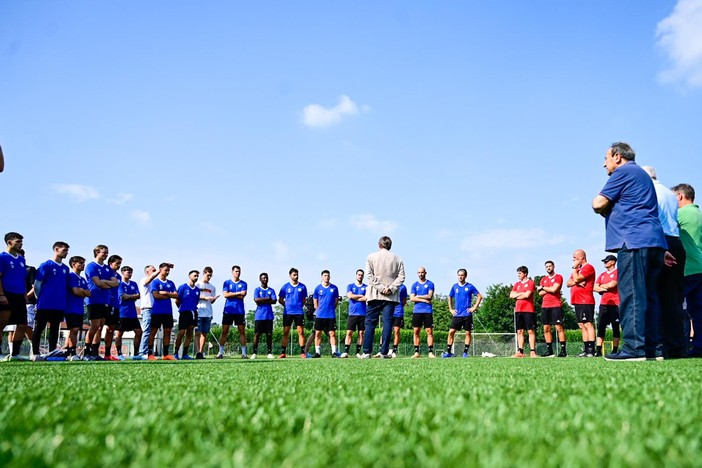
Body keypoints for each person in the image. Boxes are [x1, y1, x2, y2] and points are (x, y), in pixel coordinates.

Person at [592, 142, 670, 361]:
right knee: (650, 297)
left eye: (606, 158)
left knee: (632, 295)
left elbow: (597, 203)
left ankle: (634, 349)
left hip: (633, 241)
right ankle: (652, 348)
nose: (604, 163)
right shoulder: (643, 175)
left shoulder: (623, 171)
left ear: (617, 156)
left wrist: (605, 207)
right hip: (654, 242)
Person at [643, 166, 687, 359]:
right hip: (676, 242)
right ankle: (677, 346)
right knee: (673, 299)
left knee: (655, 295)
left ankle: (659, 345)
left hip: (661, 242)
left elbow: (654, 220)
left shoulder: (649, 191)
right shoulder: (670, 193)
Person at [671, 183, 702, 357]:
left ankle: (678, 346)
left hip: (686, 268)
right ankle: (698, 347)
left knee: (676, 308)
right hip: (700, 267)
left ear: (680, 196)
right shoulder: (699, 214)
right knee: (698, 310)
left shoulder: (680, 213)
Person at [362, 236, 405, 359]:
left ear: (379, 245)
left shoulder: (370, 257)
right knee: (387, 324)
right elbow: (401, 277)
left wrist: (380, 288)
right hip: (390, 297)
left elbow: (369, 276)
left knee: (370, 323)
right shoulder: (398, 259)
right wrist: (390, 288)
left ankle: (366, 352)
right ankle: (384, 352)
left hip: (374, 294)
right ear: (390, 245)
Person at [32, 241, 70, 360]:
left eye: (67, 251)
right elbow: (37, 285)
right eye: (64, 250)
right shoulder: (46, 265)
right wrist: (41, 298)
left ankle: (52, 353)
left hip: (59, 304)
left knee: (55, 329)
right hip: (45, 303)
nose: (66, 253)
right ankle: (35, 353)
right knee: (39, 328)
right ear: (56, 249)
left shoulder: (65, 268)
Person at [84, 245, 119, 360]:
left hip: (105, 300)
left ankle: (95, 353)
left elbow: (116, 283)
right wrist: (106, 283)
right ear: (97, 252)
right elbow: (98, 283)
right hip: (94, 299)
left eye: (107, 252)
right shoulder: (91, 266)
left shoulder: (108, 269)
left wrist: (104, 282)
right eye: (104, 252)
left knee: (100, 327)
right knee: (94, 326)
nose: (106, 254)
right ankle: (86, 352)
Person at [0, 232, 29, 360]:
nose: (20, 244)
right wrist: (1, 294)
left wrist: (24, 294)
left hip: (19, 296)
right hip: (6, 294)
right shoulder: (2, 257)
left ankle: (15, 354)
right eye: (18, 241)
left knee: (22, 324)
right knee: (2, 324)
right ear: (9, 242)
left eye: (21, 242)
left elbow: (22, 278)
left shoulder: (21, 259)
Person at [442, 269, 482, 358]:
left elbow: (479, 296)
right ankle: (448, 352)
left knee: (468, 333)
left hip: (467, 314)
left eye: (462, 275)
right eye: (459, 275)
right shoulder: (454, 287)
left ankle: (465, 353)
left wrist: (474, 307)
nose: (460, 277)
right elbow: (449, 297)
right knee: (451, 332)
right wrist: (451, 309)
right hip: (457, 315)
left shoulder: (470, 286)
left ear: (465, 276)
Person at [567, 249, 597, 357]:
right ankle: (585, 349)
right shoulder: (578, 269)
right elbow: (569, 282)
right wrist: (577, 282)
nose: (573, 259)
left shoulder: (588, 267)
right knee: (581, 325)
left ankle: (591, 350)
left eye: (575, 257)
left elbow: (576, 279)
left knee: (588, 324)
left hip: (586, 300)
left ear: (582, 257)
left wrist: (575, 273)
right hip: (577, 301)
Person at [147, 263, 177, 360]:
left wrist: (166, 293)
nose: (167, 272)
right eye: (165, 270)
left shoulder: (171, 283)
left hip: (168, 311)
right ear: (160, 270)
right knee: (153, 331)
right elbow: (156, 295)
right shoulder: (155, 282)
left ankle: (166, 354)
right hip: (157, 311)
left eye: (168, 270)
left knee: (167, 331)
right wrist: (169, 295)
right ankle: (150, 354)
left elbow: (176, 295)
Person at [537, 260, 567, 357]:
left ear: (554, 266)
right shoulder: (543, 279)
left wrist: (543, 287)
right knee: (546, 328)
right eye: (547, 267)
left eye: (550, 266)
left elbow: (555, 289)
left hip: (555, 305)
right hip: (545, 306)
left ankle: (563, 351)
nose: (548, 268)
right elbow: (540, 293)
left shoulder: (558, 277)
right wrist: (548, 288)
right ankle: (549, 351)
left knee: (559, 327)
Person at [218, 265, 248, 359]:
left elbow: (242, 296)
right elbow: (225, 295)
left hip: (239, 311)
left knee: (242, 331)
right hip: (228, 310)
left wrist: (232, 294)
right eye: (236, 271)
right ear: (232, 272)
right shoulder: (226, 283)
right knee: (224, 331)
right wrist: (238, 293)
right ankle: (220, 353)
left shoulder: (244, 283)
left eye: (239, 271)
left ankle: (244, 353)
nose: (237, 273)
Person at [594, 255, 620, 357]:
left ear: (613, 262)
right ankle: (598, 351)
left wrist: (601, 287)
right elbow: (594, 287)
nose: (605, 262)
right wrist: (604, 288)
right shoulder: (602, 275)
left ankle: (615, 350)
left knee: (615, 327)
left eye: (607, 261)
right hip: (603, 304)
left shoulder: (617, 272)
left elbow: (612, 285)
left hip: (615, 304)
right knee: (601, 327)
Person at [278, 268, 308, 358]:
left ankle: (303, 352)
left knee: (301, 332)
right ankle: (283, 352)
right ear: (290, 275)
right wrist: (287, 305)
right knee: (286, 332)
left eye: (297, 274)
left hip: (299, 312)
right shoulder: (285, 287)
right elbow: (280, 299)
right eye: (294, 275)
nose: (296, 276)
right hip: (288, 313)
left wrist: (298, 306)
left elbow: (304, 300)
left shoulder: (302, 287)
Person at [116, 265, 143, 360]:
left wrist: (129, 296)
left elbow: (139, 296)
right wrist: (133, 296)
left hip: (132, 313)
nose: (130, 274)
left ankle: (136, 354)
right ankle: (119, 354)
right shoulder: (120, 284)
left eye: (131, 272)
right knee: (119, 333)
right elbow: (123, 296)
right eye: (128, 272)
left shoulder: (134, 284)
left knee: (139, 332)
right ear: (122, 273)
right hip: (122, 312)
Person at [509, 266, 537, 357]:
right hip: (518, 310)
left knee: (530, 331)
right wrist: (521, 294)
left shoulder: (530, 283)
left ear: (525, 273)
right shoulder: (517, 284)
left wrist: (518, 295)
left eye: (520, 273)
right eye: (518, 273)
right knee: (520, 331)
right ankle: (520, 352)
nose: (518, 275)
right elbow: (511, 295)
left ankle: (532, 351)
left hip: (528, 310)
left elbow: (527, 295)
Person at [66, 256, 90, 360]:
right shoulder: (71, 276)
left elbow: (89, 293)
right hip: (70, 307)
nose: (82, 265)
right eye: (80, 263)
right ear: (73, 264)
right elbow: (75, 291)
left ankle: (69, 351)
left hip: (79, 308)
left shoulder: (83, 279)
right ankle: (72, 352)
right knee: (74, 330)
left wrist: (81, 291)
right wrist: (81, 291)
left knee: (76, 330)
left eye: (83, 263)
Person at [312, 270, 340, 358]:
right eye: (325, 275)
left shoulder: (334, 288)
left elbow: (336, 301)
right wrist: (319, 310)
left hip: (330, 315)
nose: (326, 277)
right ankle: (317, 353)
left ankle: (334, 352)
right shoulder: (318, 288)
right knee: (318, 333)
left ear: (330, 277)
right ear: (322, 277)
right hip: (320, 315)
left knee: (332, 333)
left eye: (328, 275)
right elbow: (315, 302)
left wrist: (330, 309)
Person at [174, 270, 200, 360]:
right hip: (184, 312)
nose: (196, 277)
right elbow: (177, 300)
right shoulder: (183, 287)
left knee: (189, 333)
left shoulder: (197, 290)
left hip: (193, 312)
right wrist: (182, 308)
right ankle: (176, 353)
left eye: (197, 276)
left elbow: (196, 302)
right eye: (194, 275)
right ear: (189, 276)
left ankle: (185, 354)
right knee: (181, 332)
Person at [410, 266, 435, 358]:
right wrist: (424, 300)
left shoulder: (430, 284)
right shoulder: (414, 285)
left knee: (429, 331)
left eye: (422, 272)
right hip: (417, 311)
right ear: (417, 274)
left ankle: (430, 352)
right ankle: (416, 352)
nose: (421, 274)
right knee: (416, 331)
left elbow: (429, 296)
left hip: (427, 311)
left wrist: (418, 297)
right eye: (419, 273)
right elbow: (412, 298)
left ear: (425, 273)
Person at [341, 269, 367, 358]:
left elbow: (366, 298)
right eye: (359, 274)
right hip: (352, 314)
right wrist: (360, 296)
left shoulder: (366, 287)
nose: (360, 276)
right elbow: (350, 296)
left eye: (362, 275)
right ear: (356, 275)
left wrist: (355, 297)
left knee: (361, 333)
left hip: (363, 313)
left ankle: (357, 352)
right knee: (349, 332)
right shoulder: (350, 286)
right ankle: (346, 352)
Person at [195, 266, 218, 359]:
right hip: (198, 311)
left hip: (208, 312)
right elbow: (194, 297)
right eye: (208, 275)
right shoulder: (197, 284)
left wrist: (213, 299)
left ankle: (201, 352)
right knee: (197, 332)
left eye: (210, 276)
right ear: (204, 273)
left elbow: (211, 300)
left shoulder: (212, 287)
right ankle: (197, 352)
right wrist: (204, 298)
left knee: (204, 333)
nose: (209, 277)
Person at [252, 272, 276, 359]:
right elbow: (256, 300)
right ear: (260, 279)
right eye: (263, 278)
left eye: (266, 278)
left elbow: (274, 301)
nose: (265, 279)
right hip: (259, 315)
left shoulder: (271, 290)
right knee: (257, 334)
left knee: (269, 334)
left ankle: (269, 352)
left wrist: (262, 301)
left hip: (269, 315)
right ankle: (254, 352)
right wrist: (267, 299)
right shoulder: (257, 290)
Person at [103, 254, 123, 361]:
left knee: (111, 329)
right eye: (117, 263)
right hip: (106, 303)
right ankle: (91, 352)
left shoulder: (118, 277)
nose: (119, 265)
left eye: (120, 263)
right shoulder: (106, 273)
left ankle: (107, 354)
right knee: (99, 327)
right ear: (111, 263)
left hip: (115, 304)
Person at [137, 265, 158, 357]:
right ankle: (142, 352)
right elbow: (149, 280)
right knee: (146, 330)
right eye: (153, 270)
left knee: (153, 331)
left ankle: (149, 352)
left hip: (155, 309)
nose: (155, 272)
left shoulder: (155, 283)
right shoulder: (144, 280)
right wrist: (160, 270)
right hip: (147, 308)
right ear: (147, 272)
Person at [390, 284, 408, 358]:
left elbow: (404, 301)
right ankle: (381, 349)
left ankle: (394, 350)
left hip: (398, 312)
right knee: (384, 330)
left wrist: (399, 306)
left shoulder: (403, 287)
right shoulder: (389, 284)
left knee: (396, 331)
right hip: (389, 311)